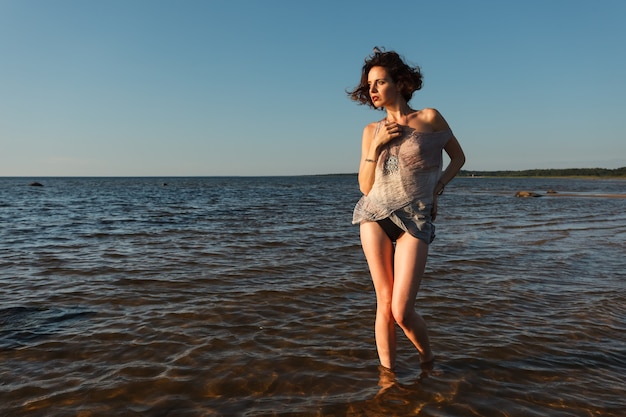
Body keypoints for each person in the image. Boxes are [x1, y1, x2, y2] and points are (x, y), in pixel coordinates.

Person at [348, 47, 465, 371]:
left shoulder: (429, 118)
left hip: (415, 219)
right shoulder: (371, 131)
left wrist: (437, 188)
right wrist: (376, 146)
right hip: (375, 216)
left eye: (379, 82)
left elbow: (459, 158)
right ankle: (388, 380)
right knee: (383, 305)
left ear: (400, 83)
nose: (372, 90)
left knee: (401, 309)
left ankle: (428, 361)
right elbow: (364, 186)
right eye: (369, 84)